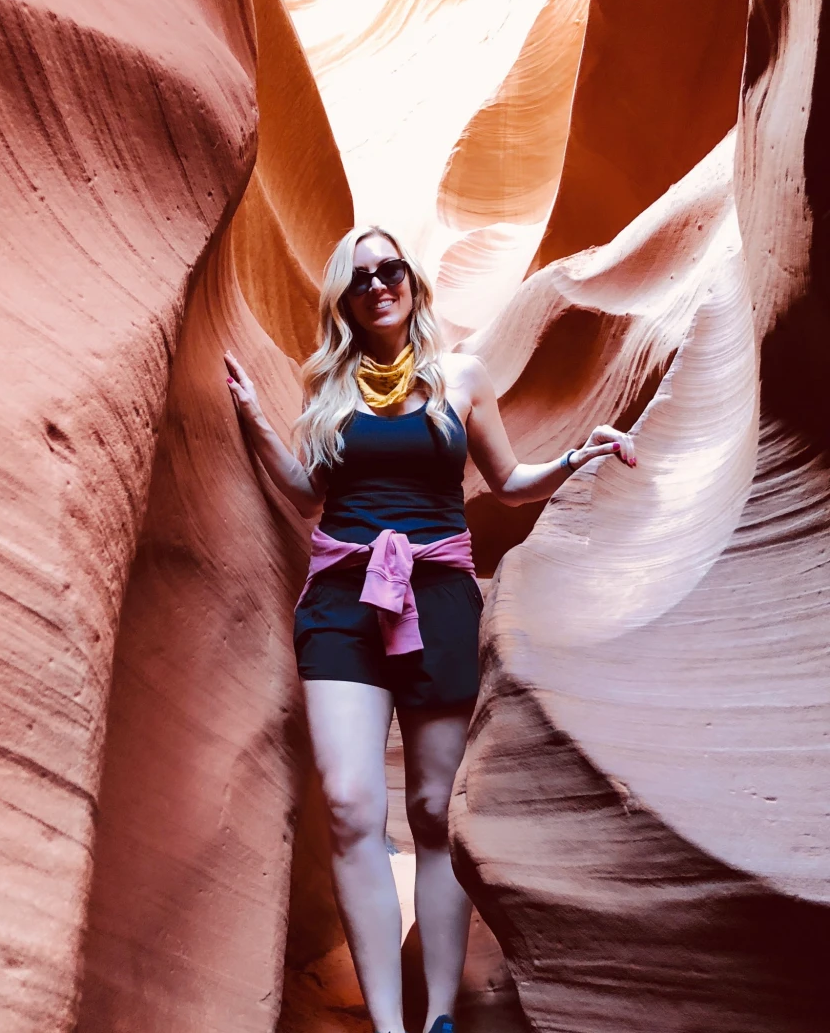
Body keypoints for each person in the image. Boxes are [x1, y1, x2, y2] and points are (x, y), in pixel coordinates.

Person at [223, 226, 636, 1033]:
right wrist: (255, 420)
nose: (379, 285)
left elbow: (510, 483)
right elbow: (311, 492)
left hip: (438, 596)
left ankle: (439, 1015)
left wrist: (576, 457)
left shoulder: (461, 377)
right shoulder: (332, 388)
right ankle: (387, 1023)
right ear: (344, 299)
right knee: (347, 804)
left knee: (431, 807)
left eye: (391, 270)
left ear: (411, 280)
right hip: (342, 600)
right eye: (360, 278)